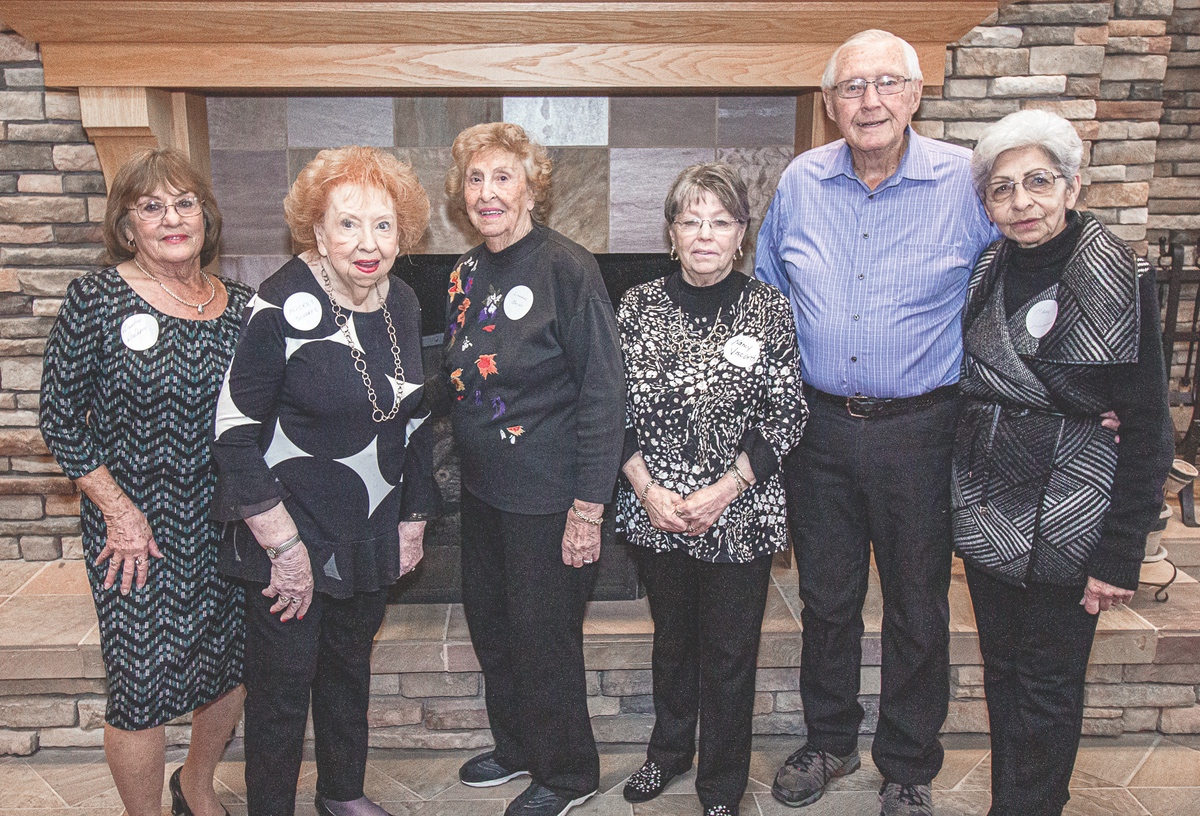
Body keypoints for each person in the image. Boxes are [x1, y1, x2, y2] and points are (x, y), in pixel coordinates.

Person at [755, 29, 1001, 815]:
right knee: (826, 598)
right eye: (853, 88)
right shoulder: (800, 181)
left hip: (921, 431)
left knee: (916, 603)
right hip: (818, 431)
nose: (870, 101)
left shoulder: (965, 182)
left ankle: (906, 764)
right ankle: (829, 740)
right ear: (829, 105)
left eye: (886, 84)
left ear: (916, 94)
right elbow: (766, 292)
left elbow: (1018, 283)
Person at [954, 109, 1174, 816]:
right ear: (987, 204)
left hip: (1074, 512)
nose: (1021, 202)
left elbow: (1147, 429)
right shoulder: (990, 268)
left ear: (1072, 187)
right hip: (993, 510)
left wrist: (1120, 554)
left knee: (1048, 685)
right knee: (1006, 676)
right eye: (1002, 188)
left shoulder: (1116, 273)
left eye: (1038, 182)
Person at [211, 146, 438, 816]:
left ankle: (341, 795)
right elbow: (232, 434)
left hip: (367, 529)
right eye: (348, 225)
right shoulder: (280, 305)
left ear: (404, 235)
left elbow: (412, 421)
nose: (367, 245)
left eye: (383, 226)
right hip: (292, 535)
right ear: (317, 230)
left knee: (347, 675)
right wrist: (284, 550)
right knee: (282, 696)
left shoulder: (400, 300)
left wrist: (414, 519)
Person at [39, 148, 249, 816]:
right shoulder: (95, 297)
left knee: (230, 666)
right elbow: (59, 418)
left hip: (224, 518)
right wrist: (120, 513)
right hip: (134, 528)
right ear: (128, 226)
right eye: (151, 206)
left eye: (185, 202)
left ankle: (195, 783)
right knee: (140, 687)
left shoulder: (242, 306)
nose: (171, 218)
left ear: (205, 215)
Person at [442, 122, 625, 816]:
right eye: (475, 179)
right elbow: (461, 373)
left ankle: (569, 772)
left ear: (530, 186)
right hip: (484, 492)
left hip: (549, 497)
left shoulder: (567, 269)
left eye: (502, 177)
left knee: (544, 641)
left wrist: (588, 508)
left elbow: (605, 392)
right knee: (494, 628)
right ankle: (518, 747)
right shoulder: (464, 272)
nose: (487, 193)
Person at [615, 163, 807, 816]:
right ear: (671, 233)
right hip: (658, 514)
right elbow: (612, 407)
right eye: (690, 221)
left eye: (720, 222)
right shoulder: (636, 306)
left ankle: (721, 787)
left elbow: (787, 412)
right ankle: (667, 755)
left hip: (740, 514)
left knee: (729, 653)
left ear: (741, 235)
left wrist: (724, 491)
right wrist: (649, 492)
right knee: (672, 642)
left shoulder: (769, 308)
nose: (704, 234)